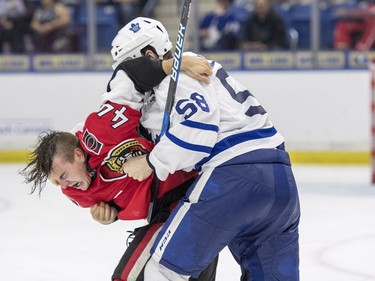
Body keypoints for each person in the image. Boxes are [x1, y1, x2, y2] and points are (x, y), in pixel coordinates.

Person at [117, 17, 301, 281]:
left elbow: (198, 131)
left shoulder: (173, 77)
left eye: (131, 66)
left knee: (163, 270)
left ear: (149, 54)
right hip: (281, 181)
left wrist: (150, 162)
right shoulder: (202, 68)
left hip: (233, 179)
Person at [20, 47, 217, 280]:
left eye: (63, 175)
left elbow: (129, 77)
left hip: (185, 194)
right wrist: (110, 215)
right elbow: (113, 199)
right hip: (167, 211)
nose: (63, 185)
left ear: (79, 154)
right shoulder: (76, 192)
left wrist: (176, 64)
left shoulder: (101, 131)